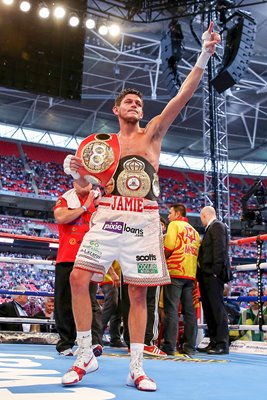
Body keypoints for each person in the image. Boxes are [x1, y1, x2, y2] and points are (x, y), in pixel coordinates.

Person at [62, 22, 220, 391]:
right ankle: (85, 352)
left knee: (138, 293)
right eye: (129, 102)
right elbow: (87, 187)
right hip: (108, 217)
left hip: (144, 221)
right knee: (78, 277)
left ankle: (137, 366)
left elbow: (182, 96)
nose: (136, 104)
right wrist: (76, 171)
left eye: (139, 102)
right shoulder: (103, 148)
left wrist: (205, 54)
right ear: (117, 109)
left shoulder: (153, 133)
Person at [53, 181, 103, 356]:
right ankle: (65, 343)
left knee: (90, 302)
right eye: (80, 181)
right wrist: (84, 206)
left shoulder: (100, 201)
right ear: (74, 183)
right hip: (67, 257)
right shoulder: (66, 198)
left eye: (88, 181)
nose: (84, 185)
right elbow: (60, 217)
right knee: (64, 302)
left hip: (89, 258)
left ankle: (93, 341)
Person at [162, 203, 200, 355]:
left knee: (171, 310)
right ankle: (190, 347)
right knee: (189, 312)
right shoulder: (195, 232)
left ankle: (169, 346)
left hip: (175, 270)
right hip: (190, 274)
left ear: (177, 214)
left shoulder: (174, 225)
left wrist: (161, 259)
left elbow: (169, 246)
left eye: (170, 213)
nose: (168, 216)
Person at [197, 206, 230, 355]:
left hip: (212, 275)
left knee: (216, 309)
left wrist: (215, 272)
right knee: (210, 309)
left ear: (204, 215)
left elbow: (220, 250)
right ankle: (214, 341)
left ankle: (222, 343)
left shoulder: (217, 226)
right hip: (206, 274)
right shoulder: (212, 228)